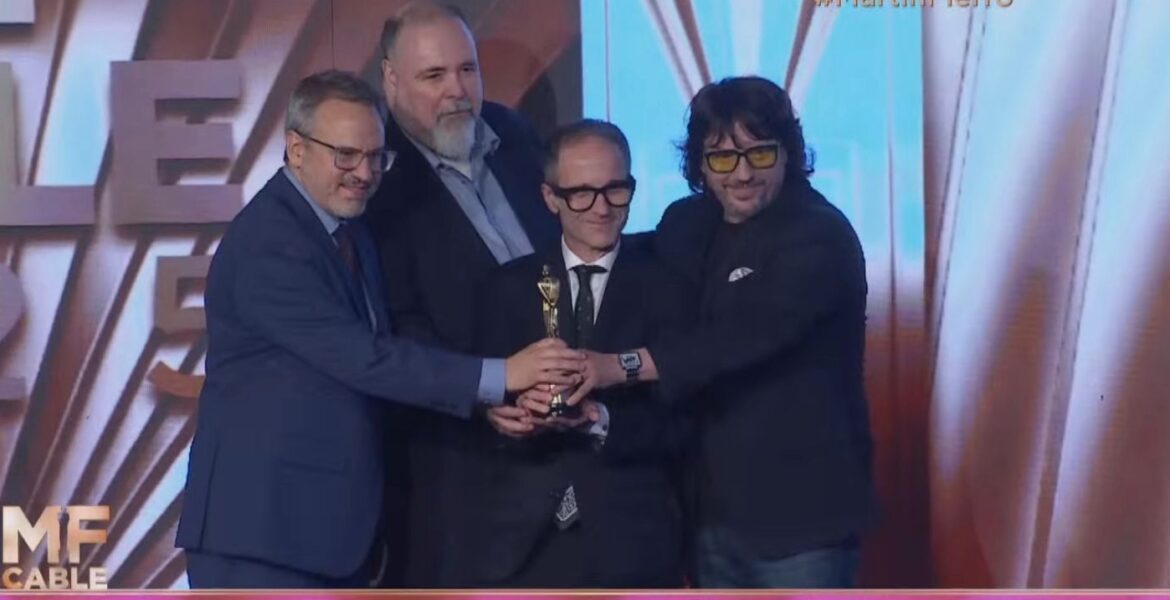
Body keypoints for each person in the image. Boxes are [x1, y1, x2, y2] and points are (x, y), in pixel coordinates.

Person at [174, 70, 583, 589]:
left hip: (325, 534)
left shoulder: (347, 229)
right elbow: (364, 358)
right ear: (296, 150)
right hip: (262, 535)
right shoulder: (269, 243)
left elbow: (386, 348)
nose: (364, 173)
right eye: (346, 156)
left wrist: (486, 402)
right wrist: (501, 375)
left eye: (375, 157)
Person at [571, 76, 878, 588]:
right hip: (708, 518)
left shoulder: (820, 234)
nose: (742, 174)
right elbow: (627, 267)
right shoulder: (687, 222)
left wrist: (618, 366)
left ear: (788, 154)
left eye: (760, 154)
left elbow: (738, 338)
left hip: (804, 522)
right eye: (722, 158)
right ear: (700, 164)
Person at [362, 0, 559, 587]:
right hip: (457, 466)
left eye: (467, 70)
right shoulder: (371, 180)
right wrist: (487, 393)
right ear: (391, 80)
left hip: (563, 445)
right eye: (433, 75)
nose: (457, 90)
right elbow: (394, 325)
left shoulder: (516, 135)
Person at [471, 119, 694, 588]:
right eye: (582, 194)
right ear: (550, 197)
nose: (601, 208)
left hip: (632, 543)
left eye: (616, 190)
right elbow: (477, 402)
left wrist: (599, 420)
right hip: (522, 545)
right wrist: (501, 415)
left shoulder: (671, 289)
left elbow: (688, 423)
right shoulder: (506, 288)